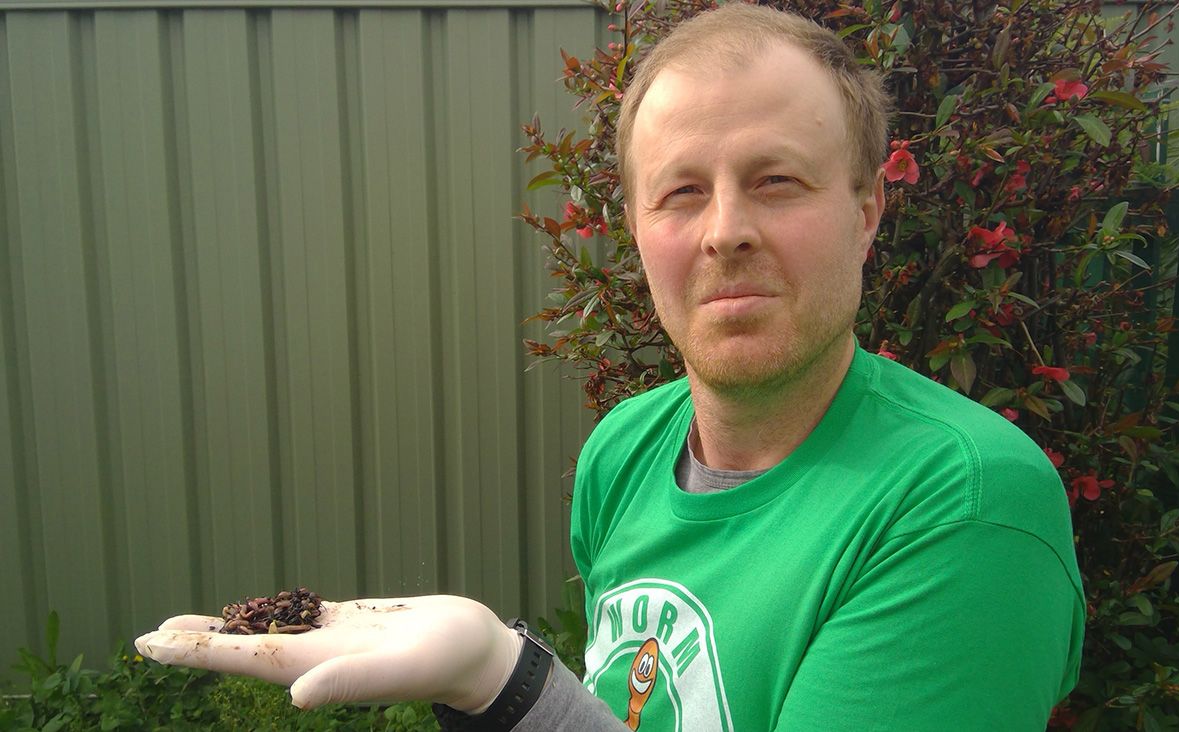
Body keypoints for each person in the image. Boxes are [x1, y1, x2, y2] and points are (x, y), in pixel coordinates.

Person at [136, 4, 1085, 729]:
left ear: (868, 209)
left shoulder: (963, 507)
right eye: (679, 193)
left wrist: (503, 686)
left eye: (777, 181)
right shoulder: (623, 452)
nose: (725, 233)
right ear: (636, 231)